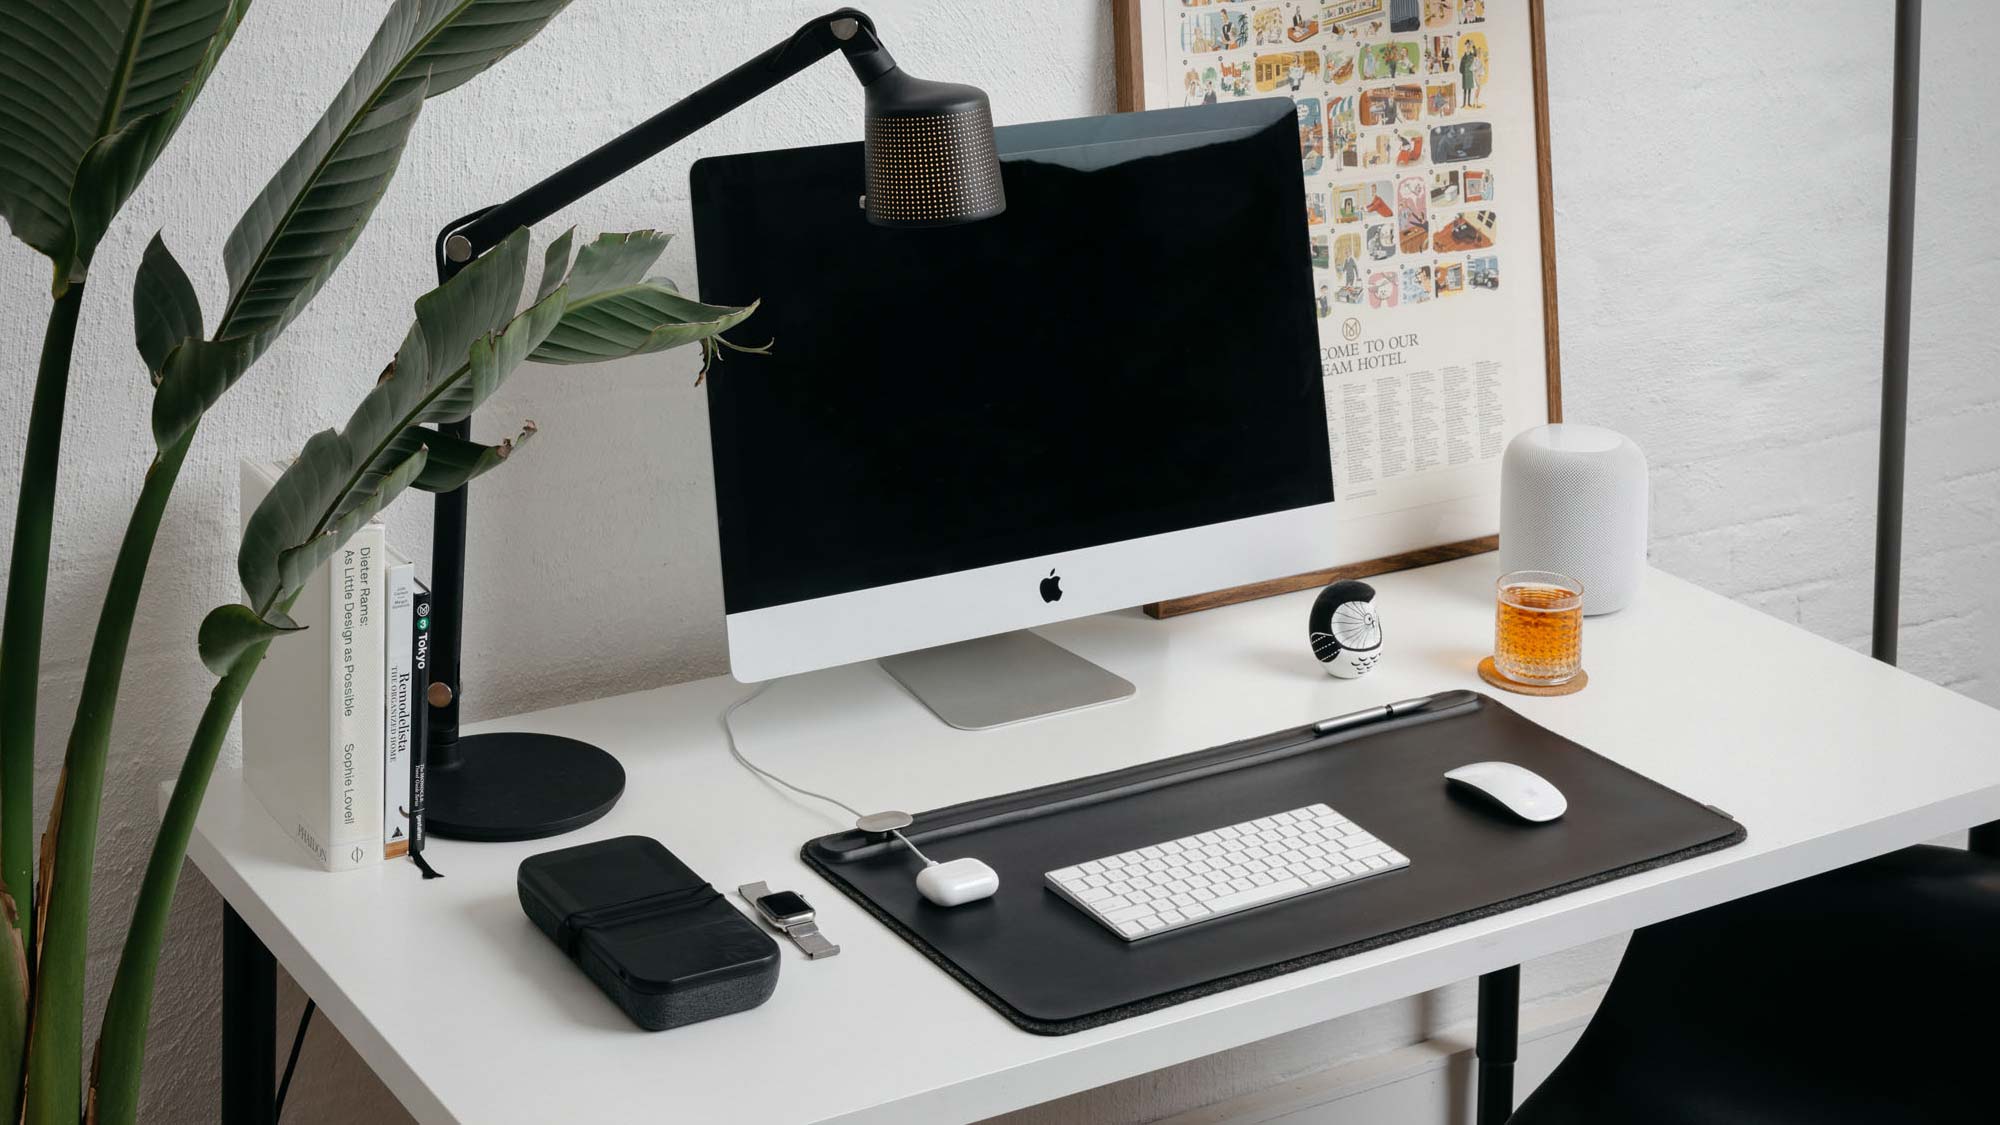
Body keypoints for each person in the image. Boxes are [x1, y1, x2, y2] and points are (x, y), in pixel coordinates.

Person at [1460, 41, 1479, 107]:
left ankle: (1468, 103)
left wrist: (1473, 46)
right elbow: (1461, 66)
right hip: (1465, 75)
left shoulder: (1472, 55)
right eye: (1466, 46)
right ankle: (1464, 104)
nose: (1468, 47)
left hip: (1470, 74)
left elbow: (1476, 54)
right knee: (1465, 90)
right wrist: (1462, 72)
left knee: (1469, 89)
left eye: (1469, 46)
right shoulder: (1463, 57)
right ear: (1465, 47)